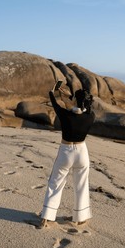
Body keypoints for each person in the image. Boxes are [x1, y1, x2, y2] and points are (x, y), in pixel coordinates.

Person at [39, 82, 95, 229]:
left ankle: (47, 218)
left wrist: (54, 92)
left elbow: (55, 104)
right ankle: (81, 218)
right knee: (81, 184)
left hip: (66, 151)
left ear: (75, 100)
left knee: (55, 183)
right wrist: (71, 97)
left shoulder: (65, 114)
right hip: (82, 152)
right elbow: (81, 107)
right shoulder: (90, 116)